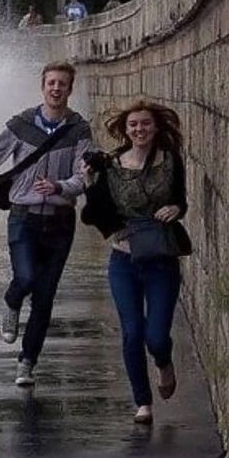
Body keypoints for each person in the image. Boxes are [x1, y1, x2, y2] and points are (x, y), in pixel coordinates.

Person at [0, 61, 92, 386]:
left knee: (44, 297)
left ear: (70, 90)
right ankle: (12, 301)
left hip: (60, 222)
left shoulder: (79, 130)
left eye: (63, 84)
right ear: (43, 86)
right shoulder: (22, 124)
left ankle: (27, 362)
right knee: (25, 278)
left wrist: (60, 187)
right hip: (23, 217)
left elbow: (84, 176)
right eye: (51, 83)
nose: (56, 89)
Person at [81, 101, 188, 425]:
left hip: (160, 260)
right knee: (132, 332)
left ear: (155, 128)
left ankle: (164, 362)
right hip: (124, 261)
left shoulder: (170, 161)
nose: (139, 130)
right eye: (133, 125)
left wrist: (177, 210)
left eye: (145, 124)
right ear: (125, 130)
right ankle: (143, 402)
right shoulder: (111, 164)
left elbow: (180, 199)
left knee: (155, 336)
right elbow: (96, 214)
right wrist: (89, 184)